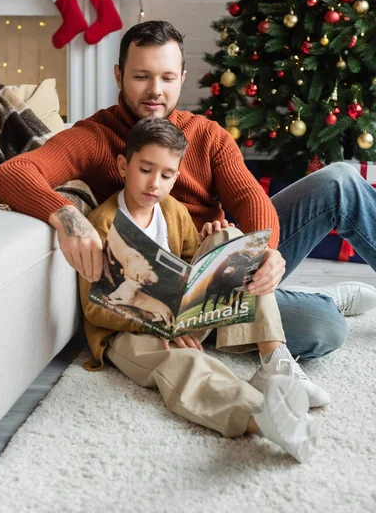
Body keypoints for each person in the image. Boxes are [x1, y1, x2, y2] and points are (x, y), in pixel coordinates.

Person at [0, 20, 376, 362]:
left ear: (182, 78)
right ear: (119, 76)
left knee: (340, 180)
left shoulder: (208, 135)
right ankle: (321, 300)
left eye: (167, 78)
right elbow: (9, 175)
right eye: (141, 77)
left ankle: (280, 289)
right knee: (323, 327)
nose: (155, 91)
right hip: (171, 291)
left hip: (224, 261)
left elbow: (249, 200)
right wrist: (68, 217)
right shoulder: (95, 136)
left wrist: (268, 250)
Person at [79, 116, 319, 462]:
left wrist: (212, 245)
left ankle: (274, 362)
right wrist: (159, 322)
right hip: (130, 330)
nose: (154, 184)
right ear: (123, 165)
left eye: (166, 175)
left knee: (231, 239)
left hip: (186, 315)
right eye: (145, 170)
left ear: (176, 176)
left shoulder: (172, 210)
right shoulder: (103, 226)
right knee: (183, 362)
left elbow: (191, 266)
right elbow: (94, 307)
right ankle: (261, 416)